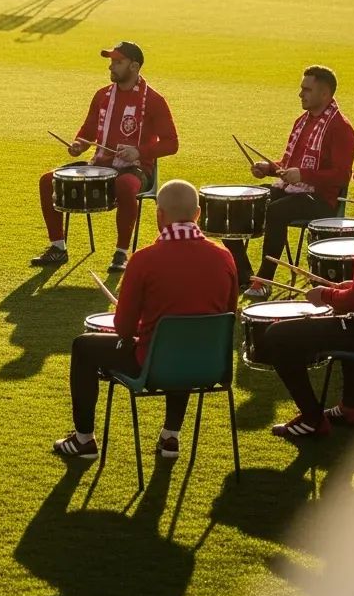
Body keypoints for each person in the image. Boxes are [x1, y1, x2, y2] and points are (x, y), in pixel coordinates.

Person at [54, 179, 238, 461]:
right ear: (198, 214)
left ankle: (83, 439)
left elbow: (124, 329)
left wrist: (141, 325)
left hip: (153, 364)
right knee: (188, 337)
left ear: (159, 214)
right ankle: (170, 435)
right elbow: (227, 313)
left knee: (83, 346)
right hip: (210, 364)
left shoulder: (144, 260)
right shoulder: (224, 257)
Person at [262, 159, 354, 441]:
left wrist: (325, 295)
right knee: (346, 320)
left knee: (277, 335)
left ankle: (313, 419)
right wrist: (349, 286)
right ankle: (350, 407)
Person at [32, 41, 179, 273]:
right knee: (48, 180)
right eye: (111, 62)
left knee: (125, 185)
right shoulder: (102, 95)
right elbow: (88, 130)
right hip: (99, 165)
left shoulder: (154, 100)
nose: (111, 67)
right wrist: (79, 144)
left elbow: (172, 143)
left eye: (118, 62)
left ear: (135, 66)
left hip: (137, 169)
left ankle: (121, 253)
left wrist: (140, 152)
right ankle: (57, 247)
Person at [235, 65, 354, 299]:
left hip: (321, 199)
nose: (300, 94)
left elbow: (341, 176)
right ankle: (243, 274)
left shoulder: (341, 129)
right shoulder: (303, 121)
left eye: (306, 89)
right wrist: (269, 169)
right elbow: (290, 163)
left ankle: (264, 281)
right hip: (293, 191)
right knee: (243, 201)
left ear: (324, 94)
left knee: (276, 211)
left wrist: (303, 176)